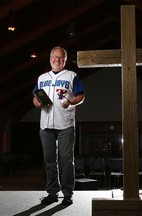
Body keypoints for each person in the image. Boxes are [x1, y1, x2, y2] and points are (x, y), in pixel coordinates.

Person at [32, 46, 85, 205]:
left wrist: (70, 101)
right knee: (49, 161)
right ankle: (52, 193)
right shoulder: (42, 77)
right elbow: (35, 99)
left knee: (66, 161)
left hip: (65, 123)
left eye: (61, 57)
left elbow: (80, 96)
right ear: (50, 59)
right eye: (55, 57)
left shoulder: (72, 75)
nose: (57, 59)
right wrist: (38, 103)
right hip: (46, 124)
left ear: (65, 60)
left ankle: (67, 194)